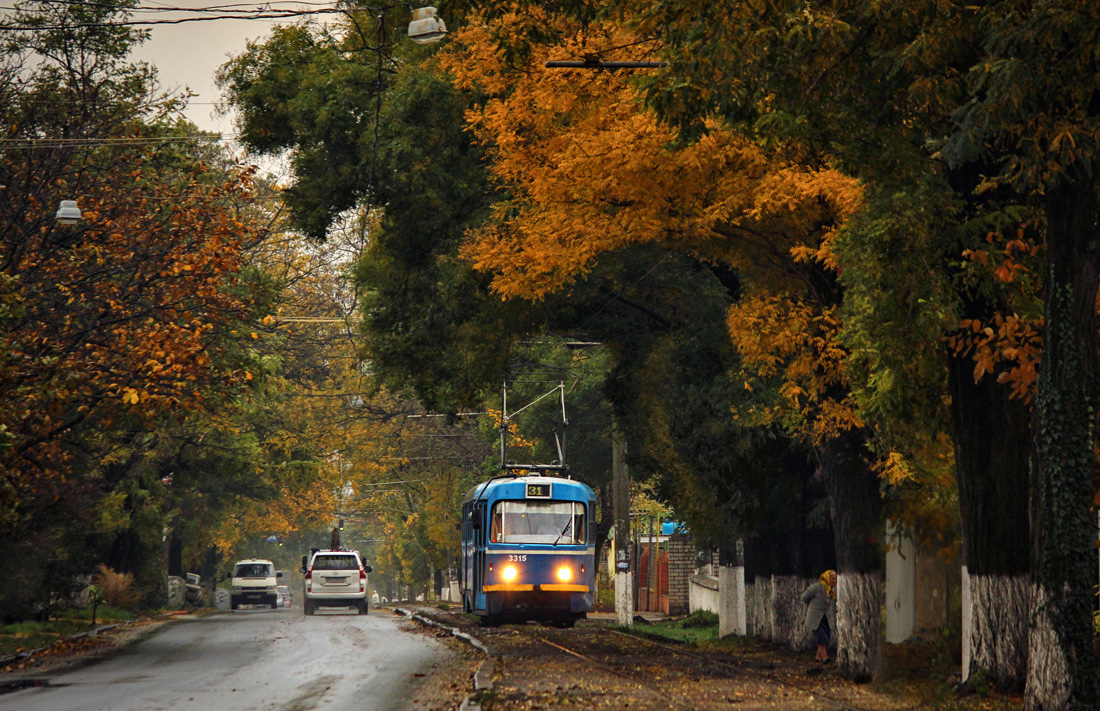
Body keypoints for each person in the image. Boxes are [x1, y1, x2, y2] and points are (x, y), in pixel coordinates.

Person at [801, 569, 837, 663]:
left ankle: (818, 658)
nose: (834, 581)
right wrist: (812, 606)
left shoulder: (833, 590)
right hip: (816, 617)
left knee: (827, 637)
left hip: (827, 617)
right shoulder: (816, 587)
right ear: (826, 578)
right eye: (832, 579)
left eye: (835, 579)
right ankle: (825, 658)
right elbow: (804, 597)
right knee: (821, 637)